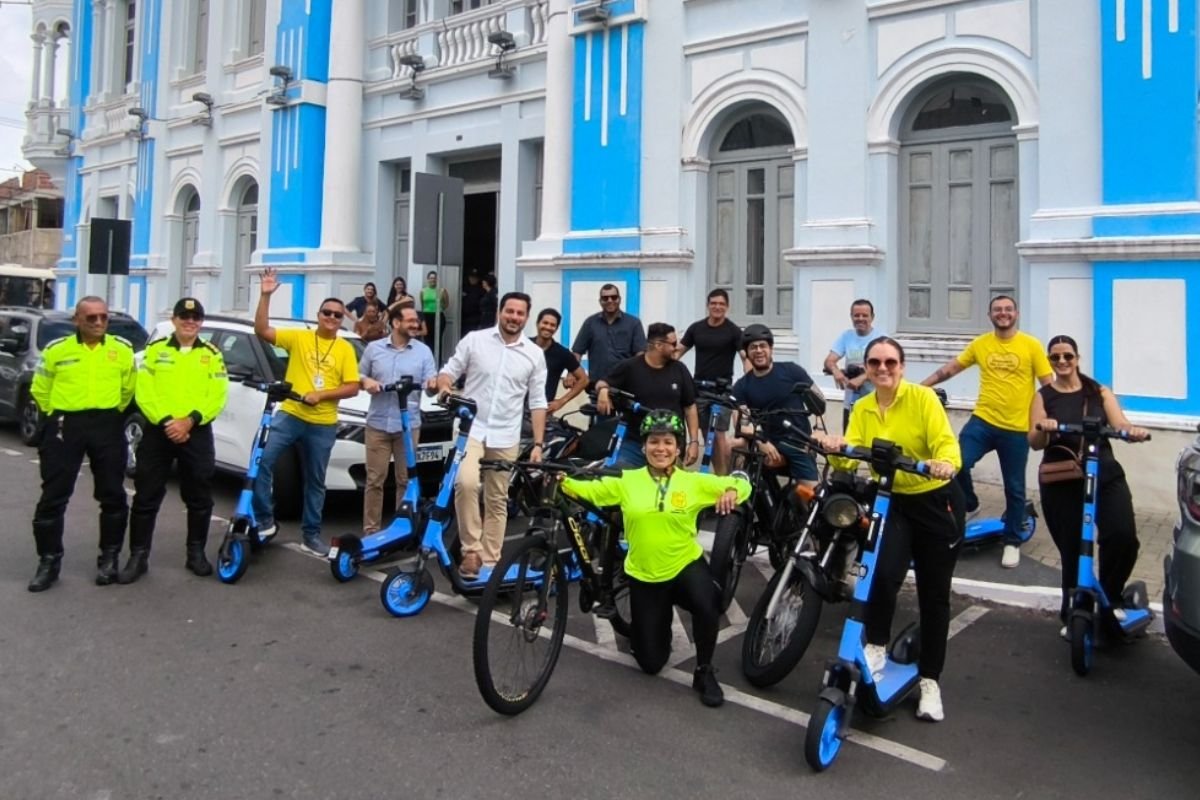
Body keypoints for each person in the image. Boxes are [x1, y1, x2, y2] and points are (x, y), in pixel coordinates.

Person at [812, 336, 963, 723]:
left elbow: (947, 447)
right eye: (875, 362)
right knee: (880, 577)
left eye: (890, 363)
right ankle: (876, 646)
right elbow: (849, 458)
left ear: (902, 366)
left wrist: (943, 463)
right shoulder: (862, 406)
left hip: (936, 501)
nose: (882, 369)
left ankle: (930, 680)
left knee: (934, 596)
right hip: (891, 500)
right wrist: (833, 445)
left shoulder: (922, 400)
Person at [561, 410, 752, 707]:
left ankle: (704, 670)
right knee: (651, 663)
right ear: (644, 446)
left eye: (667, 442)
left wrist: (731, 490)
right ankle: (652, 625)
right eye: (654, 442)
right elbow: (593, 491)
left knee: (708, 602)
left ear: (678, 448)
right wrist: (563, 481)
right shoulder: (628, 481)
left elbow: (742, 484)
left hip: (684, 566)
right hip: (645, 576)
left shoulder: (693, 482)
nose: (660, 448)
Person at [1029, 335, 1149, 638]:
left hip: (1104, 472)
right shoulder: (1043, 396)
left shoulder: (1098, 390)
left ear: (1077, 358)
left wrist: (1130, 431)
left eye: (1067, 356)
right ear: (1050, 361)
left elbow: (1119, 422)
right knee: (1073, 549)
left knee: (1122, 536)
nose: (1062, 362)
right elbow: (1033, 441)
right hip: (1063, 479)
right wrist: (1045, 428)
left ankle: (1109, 597)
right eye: (1055, 358)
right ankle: (1073, 612)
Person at [922, 295, 1053, 568]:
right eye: (997, 310)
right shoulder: (981, 344)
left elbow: (1048, 383)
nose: (1003, 313)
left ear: (1016, 313)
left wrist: (1050, 416)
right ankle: (970, 504)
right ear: (990, 314)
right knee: (955, 463)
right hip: (982, 421)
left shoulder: (1031, 345)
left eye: (1008, 309)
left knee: (1014, 488)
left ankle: (1012, 541)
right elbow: (951, 368)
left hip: (1017, 429)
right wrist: (921, 387)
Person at [26, 296, 136, 591]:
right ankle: (49, 561)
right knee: (54, 496)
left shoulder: (122, 350)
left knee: (113, 494)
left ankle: (109, 559)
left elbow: (128, 389)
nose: (98, 322)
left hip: (106, 424)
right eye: (91, 318)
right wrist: (57, 416)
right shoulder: (57, 350)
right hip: (66, 425)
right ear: (77, 319)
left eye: (103, 317)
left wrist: (110, 414)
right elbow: (41, 388)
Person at [436, 292, 548, 579]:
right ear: (500, 312)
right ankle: (471, 550)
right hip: (471, 430)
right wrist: (446, 387)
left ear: (526, 317)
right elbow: (448, 372)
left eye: (520, 313)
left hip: (506, 434)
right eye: (509, 311)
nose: (513, 317)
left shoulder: (534, 355)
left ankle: (490, 560)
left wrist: (538, 443)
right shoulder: (475, 340)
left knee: (497, 498)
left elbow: (537, 401)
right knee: (466, 483)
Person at [252, 268, 361, 556]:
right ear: (319, 314)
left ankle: (311, 535)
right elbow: (262, 331)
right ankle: (265, 520)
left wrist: (322, 395)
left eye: (338, 315)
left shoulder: (345, 349)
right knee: (262, 461)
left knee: (315, 481)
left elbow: (353, 387)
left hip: (323, 423)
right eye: (327, 312)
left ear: (341, 320)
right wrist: (265, 295)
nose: (332, 317)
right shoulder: (300, 338)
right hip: (291, 414)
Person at [122, 297, 228, 583]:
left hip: (196, 431)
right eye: (184, 317)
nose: (190, 322)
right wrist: (168, 421)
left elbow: (217, 395)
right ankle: (138, 556)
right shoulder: (155, 351)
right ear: (175, 320)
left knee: (200, 495)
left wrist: (190, 420)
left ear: (201, 322)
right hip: (159, 430)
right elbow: (144, 391)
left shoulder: (212, 354)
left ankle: (195, 554)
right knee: (146, 494)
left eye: (195, 318)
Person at [358, 304, 438, 534]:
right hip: (378, 424)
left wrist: (433, 386)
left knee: (406, 480)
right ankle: (371, 531)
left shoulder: (423, 352)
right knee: (375, 480)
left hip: (408, 424)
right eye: (411, 320)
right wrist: (366, 382)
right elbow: (359, 375)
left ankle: (401, 529)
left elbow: (430, 384)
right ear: (395, 323)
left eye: (416, 320)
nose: (415, 324)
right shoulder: (374, 349)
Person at [595, 322, 701, 469]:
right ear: (658, 345)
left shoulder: (680, 369)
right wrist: (603, 391)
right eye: (673, 343)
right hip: (634, 445)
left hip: (670, 446)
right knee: (619, 478)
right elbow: (602, 382)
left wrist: (694, 442)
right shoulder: (630, 367)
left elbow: (690, 408)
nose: (676, 347)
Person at [731, 324, 819, 486]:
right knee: (750, 486)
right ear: (747, 353)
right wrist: (761, 440)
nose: (758, 350)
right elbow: (742, 425)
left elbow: (819, 400)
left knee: (812, 499)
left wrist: (818, 430)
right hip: (767, 444)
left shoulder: (792, 371)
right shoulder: (742, 386)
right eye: (753, 347)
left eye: (763, 346)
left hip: (798, 444)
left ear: (771, 348)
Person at [678, 289, 743, 473]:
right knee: (706, 434)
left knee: (719, 435)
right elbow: (678, 352)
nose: (717, 307)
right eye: (713, 303)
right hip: (699, 388)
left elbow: (745, 358)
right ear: (708, 305)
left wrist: (747, 384)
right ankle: (717, 473)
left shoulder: (733, 331)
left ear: (727, 307)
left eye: (721, 304)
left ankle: (722, 477)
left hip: (722, 391)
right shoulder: (696, 328)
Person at [824, 299, 884, 431]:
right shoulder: (847, 336)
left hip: (875, 402)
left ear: (872, 317)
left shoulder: (882, 338)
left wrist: (862, 377)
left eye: (865, 315)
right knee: (850, 442)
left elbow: (885, 366)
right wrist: (836, 371)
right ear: (851, 317)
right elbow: (829, 361)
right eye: (856, 315)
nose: (860, 319)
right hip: (851, 402)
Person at [570, 284, 647, 383]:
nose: (610, 300)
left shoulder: (633, 323)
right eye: (605, 298)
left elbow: (640, 354)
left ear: (619, 299)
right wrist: (571, 373)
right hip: (596, 385)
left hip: (625, 386)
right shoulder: (590, 323)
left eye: (614, 297)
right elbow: (577, 352)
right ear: (600, 301)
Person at [531, 308, 589, 414]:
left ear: (556, 328)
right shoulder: (524, 346)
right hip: (516, 408)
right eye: (545, 323)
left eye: (552, 325)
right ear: (537, 323)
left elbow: (584, 380)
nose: (548, 327)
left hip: (543, 410)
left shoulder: (562, 353)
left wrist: (561, 402)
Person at [420, 270, 450, 351]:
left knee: (437, 340)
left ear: (437, 279)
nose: (432, 280)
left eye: (434, 278)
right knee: (427, 340)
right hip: (427, 317)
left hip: (438, 317)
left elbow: (446, 304)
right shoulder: (423, 291)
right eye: (431, 278)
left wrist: (438, 309)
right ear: (428, 279)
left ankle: (438, 362)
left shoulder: (442, 290)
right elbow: (422, 304)